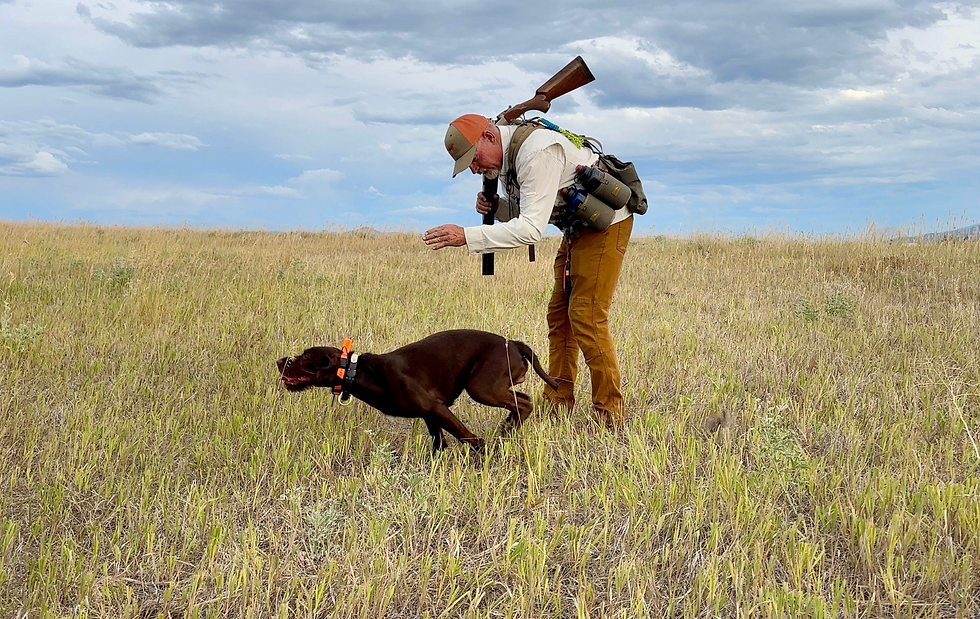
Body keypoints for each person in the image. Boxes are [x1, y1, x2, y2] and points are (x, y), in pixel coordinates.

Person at [423, 114, 634, 428]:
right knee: (559, 317)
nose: (474, 168)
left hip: (605, 228)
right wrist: (500, 208)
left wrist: (466, 236)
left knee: (587, 317)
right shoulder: (513, 154)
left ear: (490, 137)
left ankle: (610, 415)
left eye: (474, 158)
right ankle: (559, 402)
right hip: (577, 227)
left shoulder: (536, 152)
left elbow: (532, 229)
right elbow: (538, 206)